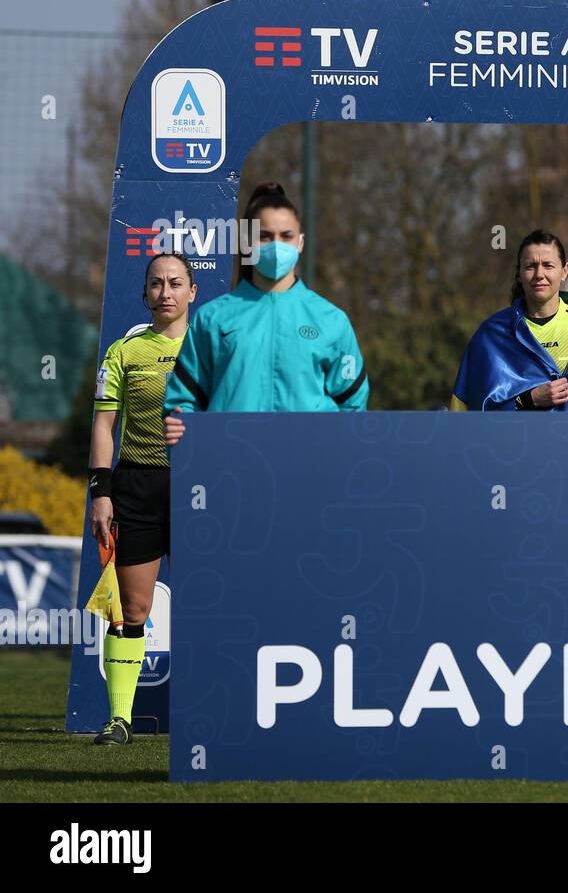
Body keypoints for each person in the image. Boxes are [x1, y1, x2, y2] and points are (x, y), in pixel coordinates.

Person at [162, 182, 368, 443]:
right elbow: (182, 403)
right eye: (265, 235)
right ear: (247, 240)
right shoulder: (212, 318)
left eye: (286, 235)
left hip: (310, 470)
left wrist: (337, 459)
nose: (276, 244)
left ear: (301, 242)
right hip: (229, 468)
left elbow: (353, 408)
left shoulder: (331, 320)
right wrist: (181, 431)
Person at [88, 251, 196, 744]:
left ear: (193, 291)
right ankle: (120, 719)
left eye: (176, 283)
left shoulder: (212, 346)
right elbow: (104, 426)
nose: (166, 292)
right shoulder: (123, 351)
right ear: (144, 294)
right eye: (156, 284)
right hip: (137, 487)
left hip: (205, 487)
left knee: (214, 605)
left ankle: (216, 712)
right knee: (132, 610)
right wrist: (101, 493)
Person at [450, 230, 568, 411]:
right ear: (519, 273)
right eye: (530, 266)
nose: (539, 274)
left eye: (548, 265)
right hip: (514, 440)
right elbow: (467, 413)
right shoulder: (492, 335)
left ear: (565, 271)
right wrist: (529, 400)